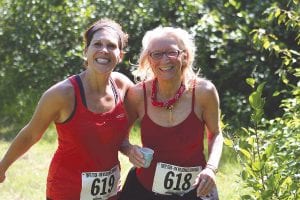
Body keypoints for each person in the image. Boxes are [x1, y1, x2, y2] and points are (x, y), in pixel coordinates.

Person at [0, 18, 133, 200]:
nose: (104, 50)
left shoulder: (123, 85)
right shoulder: (62, 94)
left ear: (120, 55)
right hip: (67, 190)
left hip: (110, 191)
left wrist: (130, 148)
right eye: (97, 44)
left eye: (111, 46)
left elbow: (131, 125)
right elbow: (31, 134)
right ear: (86, 51)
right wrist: (2, 166)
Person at [119, 26, 224, 200]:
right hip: (144, 189)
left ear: (185, 56)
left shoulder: (204, 92)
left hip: (196, 189)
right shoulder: (138, 95)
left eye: (172, 52)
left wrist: (211, 168)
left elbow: (216, 134)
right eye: (157, 54)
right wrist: (130, 150)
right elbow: (119, 137)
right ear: (148, 60)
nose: (165, 60)